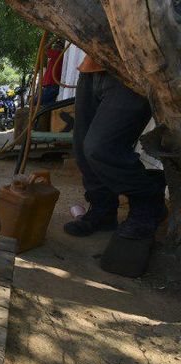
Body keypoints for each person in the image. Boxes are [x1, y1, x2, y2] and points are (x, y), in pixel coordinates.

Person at [64, 55, 167, 241]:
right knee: (82, 151)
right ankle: (103, 211)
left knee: (101, 148)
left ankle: (149, 202)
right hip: (91, 68)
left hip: (133, 71)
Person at [40, 38, 64, 106]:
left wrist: (54, 38)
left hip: (51, 85)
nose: (54, 48)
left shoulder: (57, 54)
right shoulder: (59, 55)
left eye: (56, 46)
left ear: (61, 48)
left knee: (37, 103)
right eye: (54, 46)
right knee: (48, 106)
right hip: (53, 85)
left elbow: (45, 48)